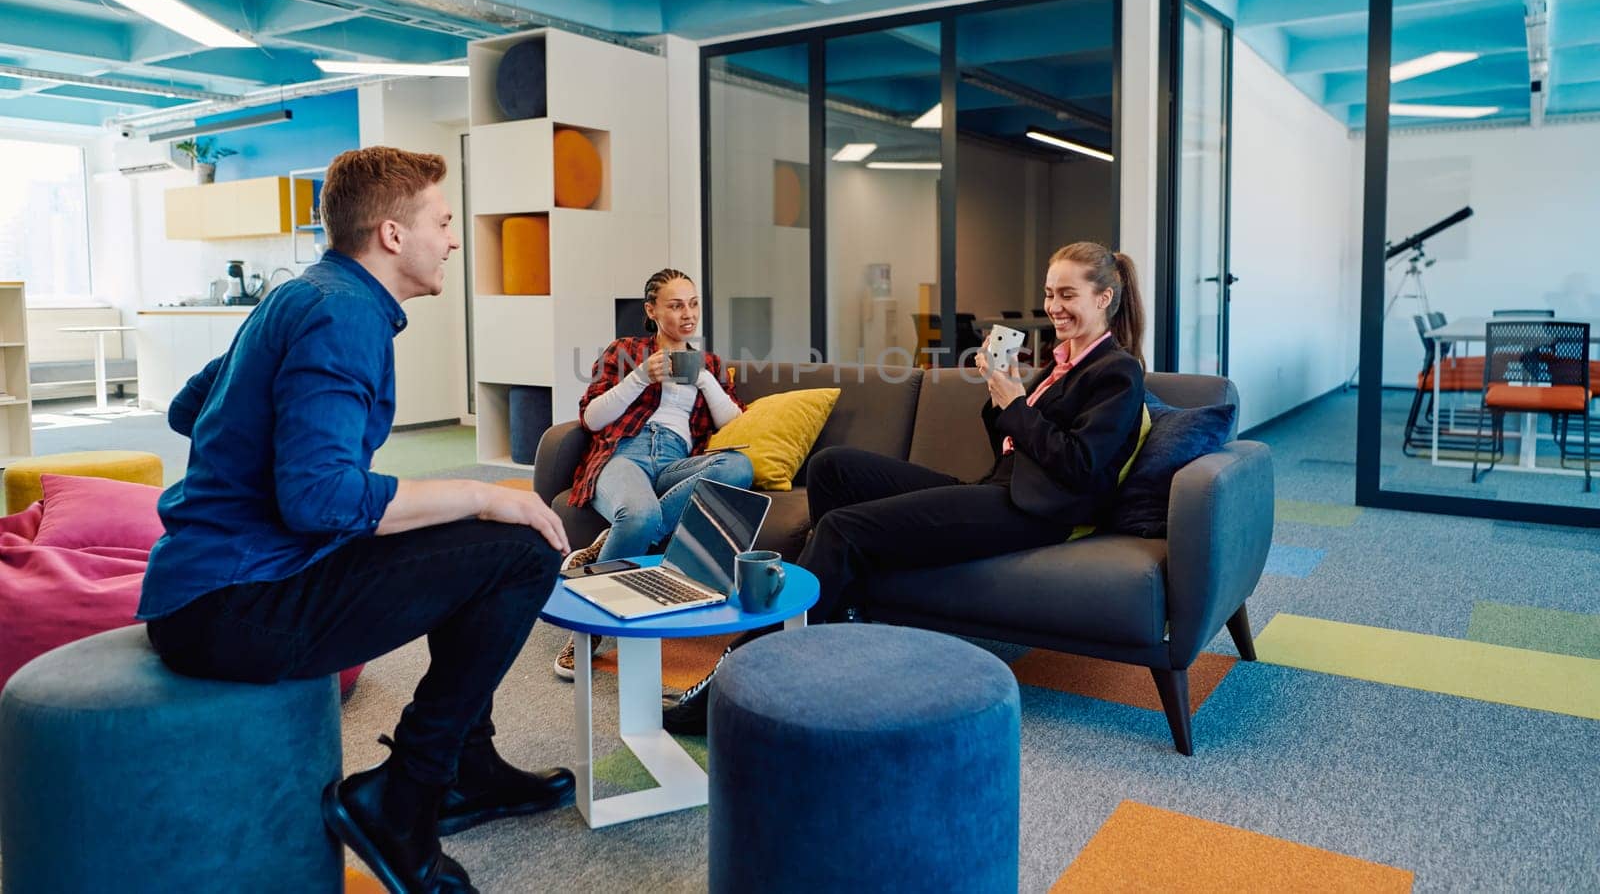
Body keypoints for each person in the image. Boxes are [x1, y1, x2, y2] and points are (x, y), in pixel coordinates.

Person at [138, 147, 574, 894]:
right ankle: (403, 797)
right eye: (442, 220)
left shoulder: (308, 294)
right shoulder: (343, 312)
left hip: (217, 587)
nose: (454, 238)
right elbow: (319, 498)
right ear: (393, 234)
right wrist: (480, 492)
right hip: (237, 604)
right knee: (519, 546)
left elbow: (189, 406)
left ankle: (469, 765)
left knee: (471, 535)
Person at [662, 242, 1147, 734]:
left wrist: (1017, 405)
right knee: (833, 468)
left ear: (1104, 298)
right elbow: (1010, 443)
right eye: (1048, 293)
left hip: (1035, 511)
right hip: (1000, 488)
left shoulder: (1117, 372)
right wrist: (999, 394)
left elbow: (1083, 466)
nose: (1054, 307)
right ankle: (842, 615)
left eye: (1068, 294)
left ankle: (741, 673)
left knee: (841, 529)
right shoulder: (1061, 362)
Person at [554, 268, 755, 677]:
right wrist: (641, 376)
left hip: (676, 461)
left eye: (694, 304)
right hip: (624, 454)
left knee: (739, 466)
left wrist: (702, 380)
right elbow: (591, 418)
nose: (688, 314)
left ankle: (611, 543)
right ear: (651, 310)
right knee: (641, 516)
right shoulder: (624, 350)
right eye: (676, 305)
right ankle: (586, 634)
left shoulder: (708, 363)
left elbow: (731, 423)